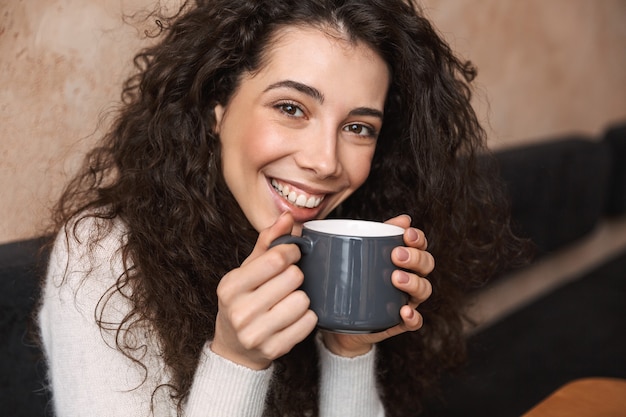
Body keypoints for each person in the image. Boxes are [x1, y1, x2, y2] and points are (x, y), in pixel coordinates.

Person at [37, 0, 527, 416]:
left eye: (358, 127)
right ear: (217, 107)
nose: (325, 162)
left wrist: (348, 351)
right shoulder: (100, 257)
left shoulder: (334, 242)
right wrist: (236, 361)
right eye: (291, 108)